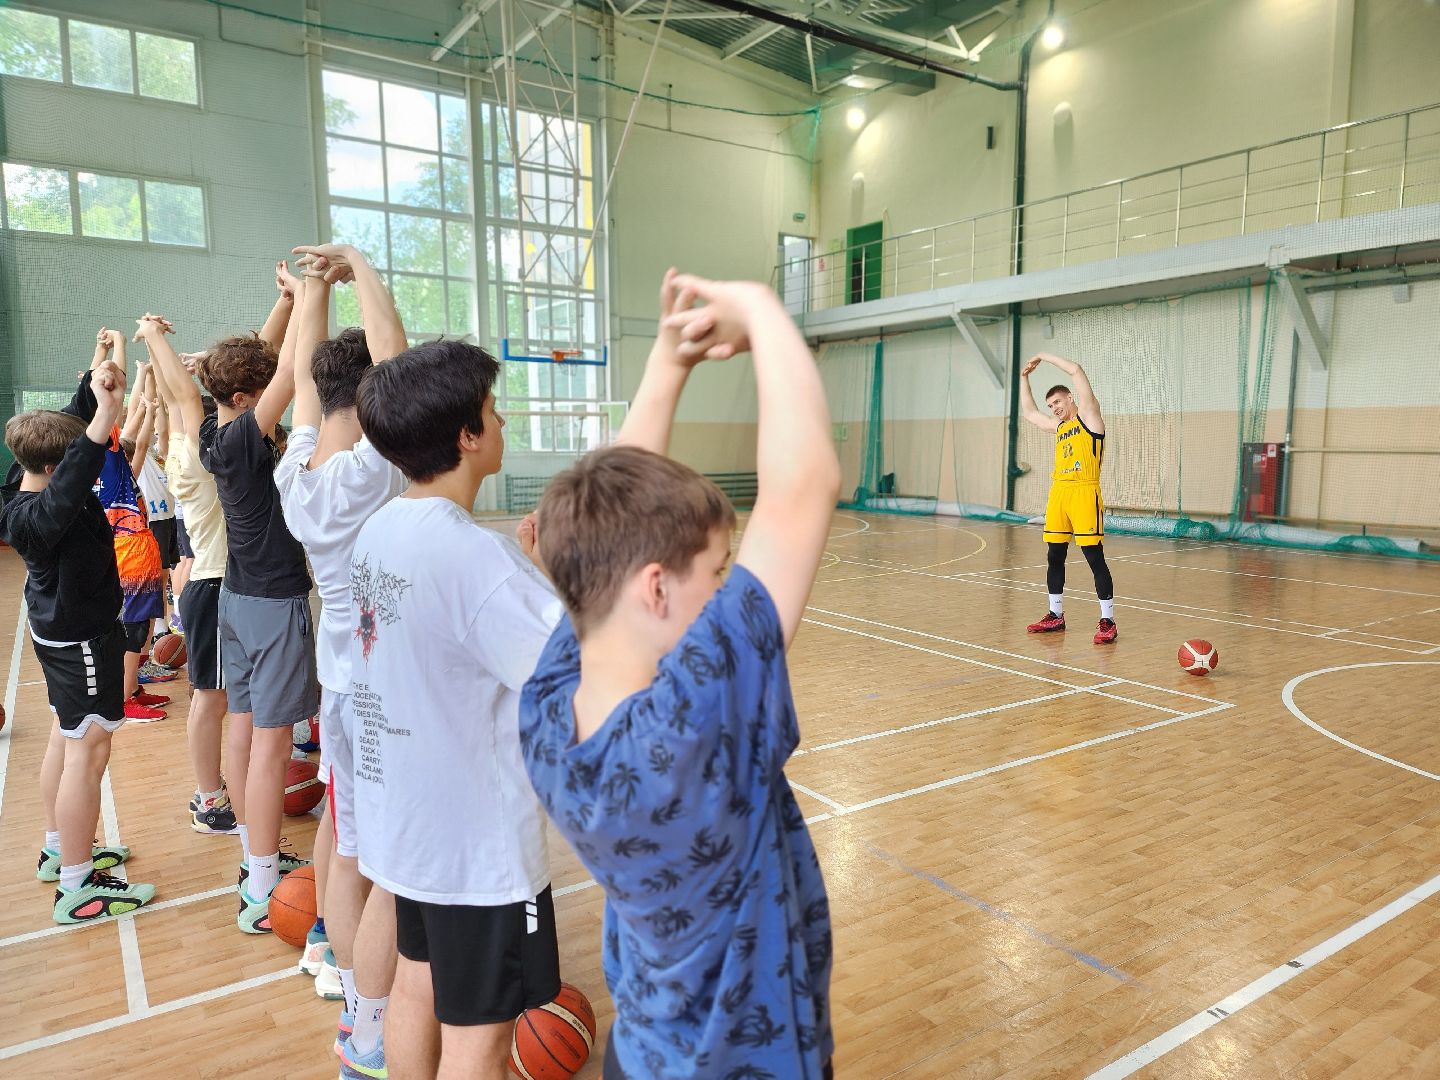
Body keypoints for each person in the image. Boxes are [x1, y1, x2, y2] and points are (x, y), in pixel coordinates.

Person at [519, 271, 840, 1079]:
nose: (727, 585)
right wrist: (764, 310)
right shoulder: (692, 719)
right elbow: (804, 491)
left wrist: (670, 363)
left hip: (646, 1053)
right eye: (718, 571)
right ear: (657, 587)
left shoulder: (548, 708)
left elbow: (604, 519)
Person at [348, 338, 563, 1080]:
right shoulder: (478, 559)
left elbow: (450, 639)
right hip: (476, 847)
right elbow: (566, 677)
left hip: (409, 823)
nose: (500, 423)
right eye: (493, 412)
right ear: (467, 437)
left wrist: (524, 581)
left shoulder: (380, 530)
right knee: (480, 1043)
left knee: (417, 984)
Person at [274, 243, 407, 1064]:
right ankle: (368, 1022)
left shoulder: (298, 468)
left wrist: (313, 291)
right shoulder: (371, 472)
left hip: (339, 686)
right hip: (384, 694)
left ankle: (329, 954)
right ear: (370, 398)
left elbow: (305, 374)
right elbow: (393, 364)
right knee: (377, 865)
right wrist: (357, 264)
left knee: (342, 837)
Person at [1, 357, 158, 923]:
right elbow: (74, 471)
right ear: (54, 464)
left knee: (64, 741)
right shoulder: (40, 516)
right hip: (82, 642)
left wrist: (91, 387)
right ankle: (77, 886)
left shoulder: (19, 486)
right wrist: (108, 416)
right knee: (88, 752)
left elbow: (64, 434)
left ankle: (56, 849)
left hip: (59, 636)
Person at [195, 262, 316, 932]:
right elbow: (290, 374)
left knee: (243, 733)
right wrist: (312, 304)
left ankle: (254, 859)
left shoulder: (217, 428)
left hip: (240, 601)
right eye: (260, 389)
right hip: (269, 605)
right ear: (246, 396)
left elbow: (260, 367)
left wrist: (284, 301)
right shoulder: (243, 438)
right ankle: (263, 889)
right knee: (271, 747)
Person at [137, 313, 237, 836]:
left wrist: (159, 352)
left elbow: (179, 401)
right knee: (210, 698)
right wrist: (154, 336)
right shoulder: (198, 452)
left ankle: (216, 789)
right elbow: (185, 400)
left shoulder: (181, 449)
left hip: (208, 584)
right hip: (214, 585)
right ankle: (209, 797)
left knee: (213, 697)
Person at [96, 337, 172, 719]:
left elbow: (139, 440)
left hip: (133, 556)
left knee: (137, 630)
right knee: (133, 632)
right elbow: (127, 425)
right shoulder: (109, 466)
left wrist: (146, 397)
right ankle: (125, 699)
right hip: (131, 559)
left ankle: (133, 689)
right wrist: (120, 351)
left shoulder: (119, 473)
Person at [1019, 351, 1118, 644]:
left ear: (1071, 398)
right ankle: (1055, 615)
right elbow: (1029, 413)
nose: (1054, 408)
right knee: (1054, 555)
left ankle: (1108, 620)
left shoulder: (1089, 418)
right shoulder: (1059, 427)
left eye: (1058, 402)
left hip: (1085, 492)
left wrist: (1042, 357)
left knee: (1093, 557)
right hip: (1059, 494)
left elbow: (1076, 369)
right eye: (1051, 405)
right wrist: (1024, 377)